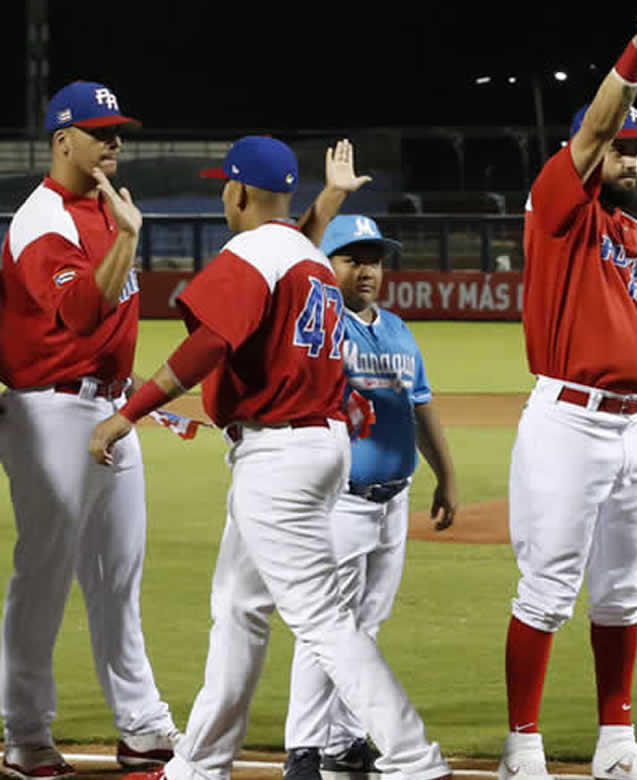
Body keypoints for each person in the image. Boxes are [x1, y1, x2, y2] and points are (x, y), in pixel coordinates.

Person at [97, 134, 450, 780]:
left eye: (223, 188)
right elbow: (290, 244)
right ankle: (198, 765)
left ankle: (414, 758)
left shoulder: (257, 249)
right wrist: (331, 198)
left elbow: (207, 344)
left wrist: (128, 413)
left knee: (322, 619)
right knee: (237, 606)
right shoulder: (304, 255)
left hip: (279, 455)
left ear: (235, 193)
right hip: (317, 446)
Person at [499, 3, 637, 779]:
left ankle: (617, 744)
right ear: (588, 154)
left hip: (631, 426)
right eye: (620, 150)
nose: (633, 163)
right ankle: (522, 749)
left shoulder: (636, 235)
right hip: (567, 422)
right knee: (547, 589)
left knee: (623, 591)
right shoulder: (556, 206)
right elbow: (591, 132)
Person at [0, 79, 178, 778]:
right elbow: (76, 318)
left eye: (117, 131)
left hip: (110, 409)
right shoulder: (43, 216)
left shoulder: (107, 209)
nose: (113, 143)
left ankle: (141, 726)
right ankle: (26, 734)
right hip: (51, 409)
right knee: (43, 577)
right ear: (61, 139)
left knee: (117, 578)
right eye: (99, 131)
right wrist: (128, 238)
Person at [280, 215, 460, 780]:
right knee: (326, 627)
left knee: (365, 627)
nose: (366, 271)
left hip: (393, 502)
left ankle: (342, 739)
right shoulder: (321, 327)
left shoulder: (398, 328)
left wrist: (446, 475)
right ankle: (302, 749)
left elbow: (421, 405)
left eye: (374, 259)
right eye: (351, 258)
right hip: (342, 502)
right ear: (325, 265)